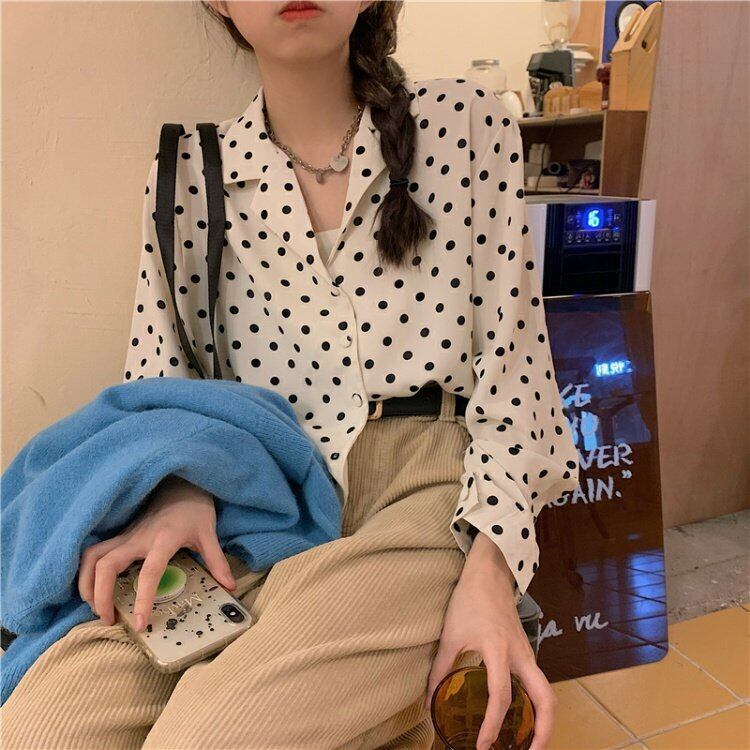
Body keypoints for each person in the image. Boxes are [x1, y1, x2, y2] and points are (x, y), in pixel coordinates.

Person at [1, 2, 579, 748]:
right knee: (37, 730)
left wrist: (492, 576)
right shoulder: (190, 172)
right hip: (254, 500)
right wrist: (179, 491)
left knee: (213, 739)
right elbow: (162, 386)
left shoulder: (465, 124)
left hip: (430, 491)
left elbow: (519, 385)